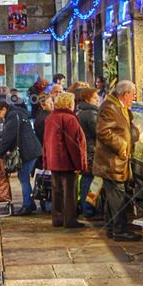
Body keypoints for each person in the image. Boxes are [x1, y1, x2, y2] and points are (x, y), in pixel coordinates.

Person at [92, 78, 141, 241]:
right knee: (117, 197)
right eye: (133, 94)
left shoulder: (120, 106)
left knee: (113, 197)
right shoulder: (110, 107)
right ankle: (120, 231)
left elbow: (125, 127)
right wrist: (123, 146)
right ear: (125, 94)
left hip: (117, 162)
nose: (134, 97)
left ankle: (112, 229)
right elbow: (104, 132)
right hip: (112, 162)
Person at [0, 97, 43, 216]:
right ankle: (30, 203)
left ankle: (27, 205)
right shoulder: (16, 114)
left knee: (23, 178)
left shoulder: (12, 117)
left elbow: (8, 138)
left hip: (28, 151)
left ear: (4, 109)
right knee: (23, 177)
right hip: (32, 150)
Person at [43, 91, 88, 228]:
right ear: (69, 103)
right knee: (70, 192)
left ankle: (57, 218)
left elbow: (46, 141)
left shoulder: (50, 117)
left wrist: (46, 159)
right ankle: (70, 220)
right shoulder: (69, 119)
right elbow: (74, 143)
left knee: (57, 191)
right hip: (67, 161)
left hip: (54, 160)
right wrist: (79, 163)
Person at [76, 85, 100, 216]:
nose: (98, 100)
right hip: (91, 152)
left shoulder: (82, 112)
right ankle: (88, 209)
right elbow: (98, 134)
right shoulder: (91, 114)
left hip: (86, 151)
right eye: (95, 97)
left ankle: (87, 207)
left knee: (87, 180)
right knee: (89, 181)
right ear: (87, 99)